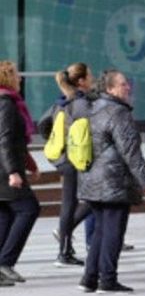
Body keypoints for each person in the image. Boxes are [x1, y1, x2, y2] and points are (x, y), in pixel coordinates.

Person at [78, 69, 145, 293]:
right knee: (113, 231)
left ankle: (89, 278)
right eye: (123, 84)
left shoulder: (93, 109)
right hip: (114, 180)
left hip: (92, 178)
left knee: (100, 231)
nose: (128, 87)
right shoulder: (118, 113)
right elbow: (131, 152)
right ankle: (107, 279)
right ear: (110, 89)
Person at [37, 62, 93, 267]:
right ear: (81, 81)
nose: (92, 79)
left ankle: (64, 251)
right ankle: (63, 243)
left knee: (69, 203)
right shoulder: (81, 103)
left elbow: (42, 124)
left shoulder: (60, 102)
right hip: (75, 158)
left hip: (62, 158)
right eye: (90, 76)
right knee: (95, 198)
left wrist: (55, 140)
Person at [0, 61, 41, 286]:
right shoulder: (6, 104)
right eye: (16, 74)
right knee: (29, 209)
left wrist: (31, 164)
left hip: (5, 167)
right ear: (6, 78)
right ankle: (5, 262)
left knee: (5, 214)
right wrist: (14, 172)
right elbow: (5, 140)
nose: (20, 78)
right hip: (5, 170)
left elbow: (16, 142)